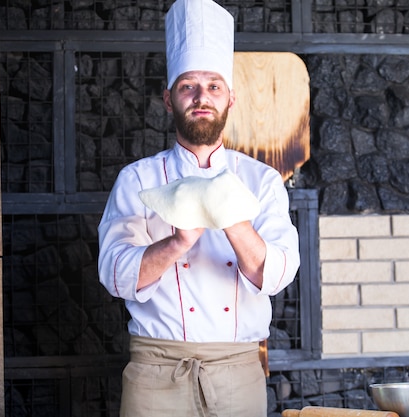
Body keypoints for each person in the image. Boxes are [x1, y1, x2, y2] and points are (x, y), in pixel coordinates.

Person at [97, 0, 300, 415]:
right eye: (188, 86)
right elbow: (114, 276)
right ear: (168, 99)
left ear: (231, 99)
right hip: (156, 371)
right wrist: (176, 244)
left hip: (238, 370)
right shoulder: (137, 180)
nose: (201, 97)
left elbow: (279, 273)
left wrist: (234, 223)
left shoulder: (260, 181)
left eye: (214, 86)